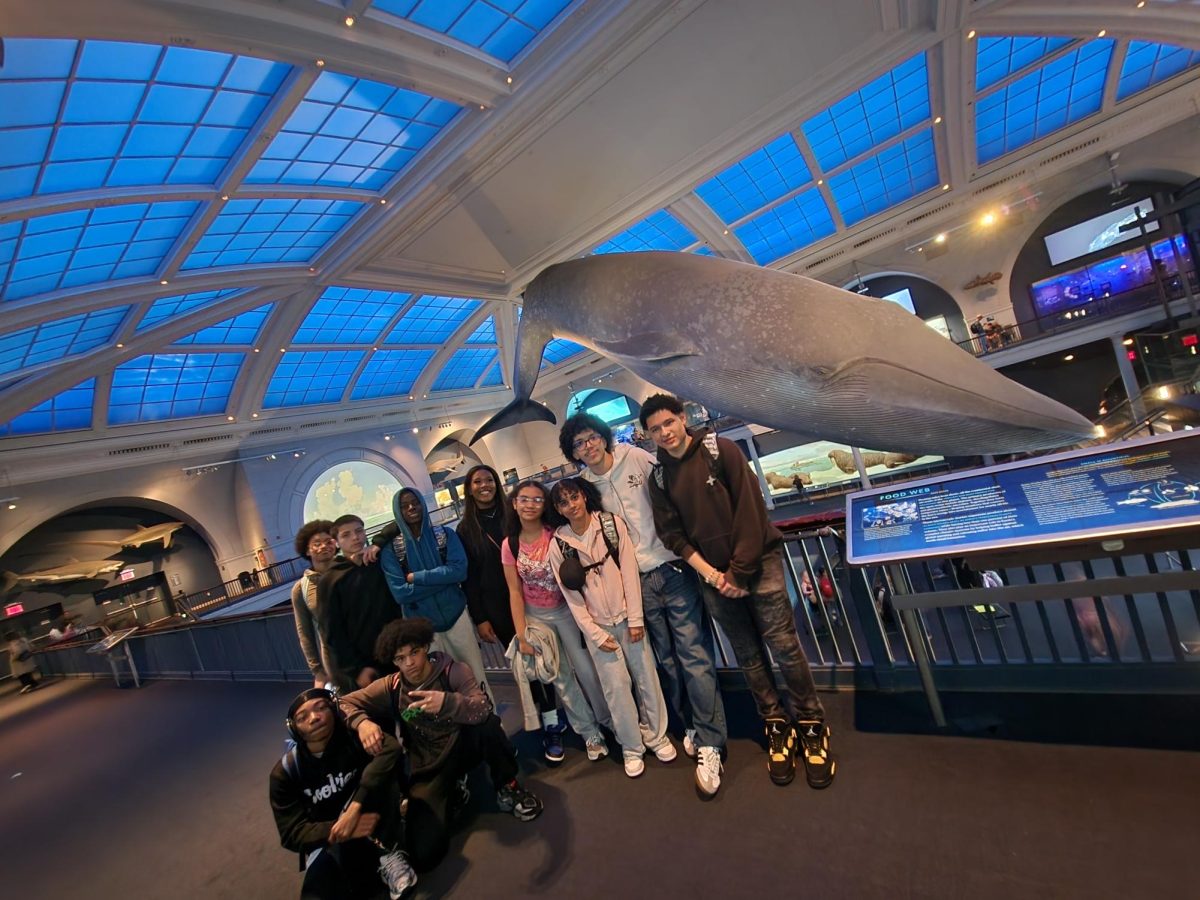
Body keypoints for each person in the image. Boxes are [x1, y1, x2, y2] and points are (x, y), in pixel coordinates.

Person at [642, 393, 836, 790]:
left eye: (668, 423)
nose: (664, 433)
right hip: (714, 578)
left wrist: (738, 571)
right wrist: (715, 577)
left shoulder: (721, 450)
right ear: (648, 436)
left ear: (682, 419)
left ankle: (812, 723)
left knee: (784, 646)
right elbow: (673, 536)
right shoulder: (659, 478)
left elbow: (751, 511)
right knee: (748, 656)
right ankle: (775, 723)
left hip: (758, 565)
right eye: (654, 430)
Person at [560, 412, 727, 796]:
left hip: (672, 566)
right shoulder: (583, 487)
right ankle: (686, 723)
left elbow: (673, 483)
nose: (588, 446)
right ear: (574, 453)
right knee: (664, 659)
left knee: (693, 653)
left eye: (591, 437)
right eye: (578, 444)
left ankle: (709, 737)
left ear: (603, 437)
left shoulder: (636, 457)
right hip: (633, 583)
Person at [340, 618, 542, 872]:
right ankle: (453, 790)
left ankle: (508, 787)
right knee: (425, 854)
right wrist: (362, 723)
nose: (409, 663)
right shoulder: (391, 686)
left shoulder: (453, 671)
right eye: (400, 658)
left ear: (425, 647)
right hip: (429, 764)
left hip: (463, 746)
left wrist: (447, 702)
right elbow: (342, 702)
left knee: (488, 726)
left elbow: (482, 709)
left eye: (414, 652)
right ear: (394, 662)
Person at [547, 478, 676, 780]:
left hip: (627, 618)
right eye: (564, 502)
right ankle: (632, 746)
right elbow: (571, 598)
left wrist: (635, 619)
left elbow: (630, 572)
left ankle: (657, 736)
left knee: (646, 678)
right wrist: (595, 633)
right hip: (599, 629)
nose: (572, 505)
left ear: (584, 496)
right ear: (558, 509)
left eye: (574, 497)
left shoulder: (610, 524)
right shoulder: (559, 545)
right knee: (616, 689)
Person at [457, 465, 566, 762]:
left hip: (532, 599)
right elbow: (470, 578)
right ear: (469, 488)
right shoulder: (465, 529)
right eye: (477, 481)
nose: (484, 485)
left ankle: (561, 713)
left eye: (489, 480)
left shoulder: (514, 512)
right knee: (529, 668)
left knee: (553, 662)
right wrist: (480, 618)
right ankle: (549, 724)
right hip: (499, 606)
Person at [268, 687, 416, 900]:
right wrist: (339, 828)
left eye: (321, 708)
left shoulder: (354, 739)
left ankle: (387, 852)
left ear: (334, 710)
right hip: (330, 840)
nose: (314, 718)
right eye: (303, 717)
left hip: (373, 821)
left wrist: (355, 806)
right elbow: (291, 833)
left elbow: (390, 748)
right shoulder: (286, 773)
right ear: (295, 729)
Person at [502, 480, 611, 761]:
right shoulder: (510, 545)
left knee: (588, 669)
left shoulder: (556, 534)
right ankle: (590, 733)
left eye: (537, 500)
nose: (530, 505)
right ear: (514, 503)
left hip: (568, 612)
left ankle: (608, 719)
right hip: (537, 619)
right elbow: (514, 592)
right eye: (523, 499)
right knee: (562, 679)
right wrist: (522, 634)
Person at [377, 488, 492, 703]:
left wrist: (417, 577)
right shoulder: (392, 551)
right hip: (422, 631)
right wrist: (443, 580)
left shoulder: (445, 535)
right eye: (404, 505)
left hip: (457, 617)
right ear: (397, 511)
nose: (411, 507)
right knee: (438, 687)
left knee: (475, 676)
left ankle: (490, 724)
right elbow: (401, 594)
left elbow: (460, 571)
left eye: (415, 502)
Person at [317, 514, 402, 694]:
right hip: (365, 662)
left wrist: (377, 543)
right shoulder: (330, 579)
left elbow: (400, 523)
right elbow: (332, 631)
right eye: (346, 535)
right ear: (336, 542)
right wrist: (356, 670)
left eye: (359, 531)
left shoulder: (376, 560)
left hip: (397, 650)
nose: (355, 537)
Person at [291, 519, 337, 688]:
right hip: (334, 659)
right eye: (316, 544)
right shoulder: (300, 589)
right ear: (307, 550)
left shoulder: (349, 571)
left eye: (328, 541)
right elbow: (305, 633)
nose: (323, 546)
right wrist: (318, 671)